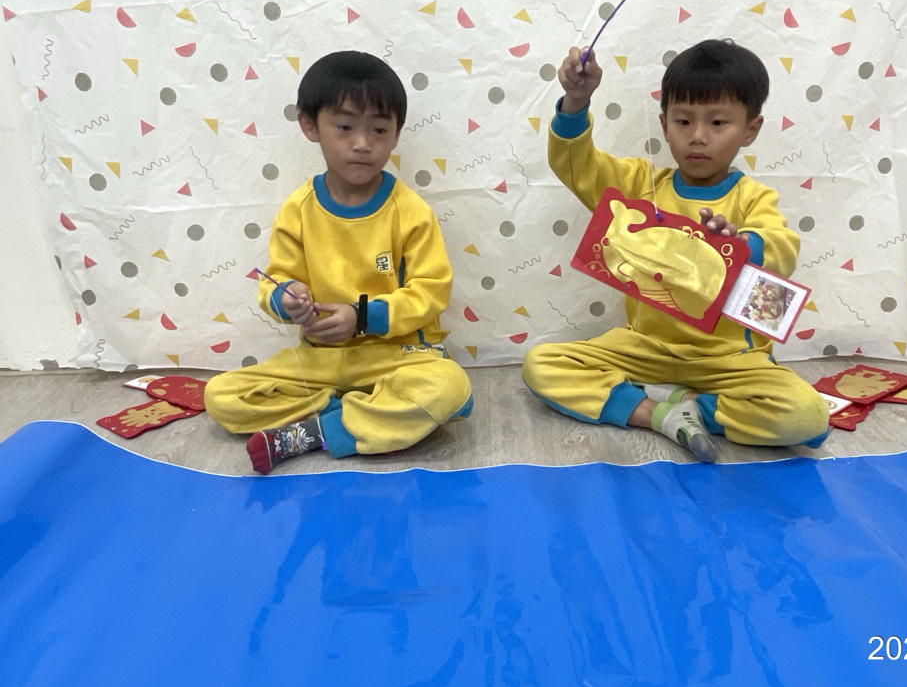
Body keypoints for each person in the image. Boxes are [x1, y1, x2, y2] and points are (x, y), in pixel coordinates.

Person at [522, 39, 829, 462]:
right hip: (646, 350)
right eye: (684, 121)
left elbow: (781, 245)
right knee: (542, 364)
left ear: (750, 129)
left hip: (728, 360)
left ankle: (691, 406)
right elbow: (576, 166)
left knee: (807, 415)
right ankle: (657, 413)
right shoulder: (639, 185)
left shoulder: (753, 198)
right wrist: (576, 101)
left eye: (718, 122)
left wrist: (743, 244)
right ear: (665, 125)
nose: (698, 136)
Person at [204, 50, 472, 474]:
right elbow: (277, 278)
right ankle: (367, 413)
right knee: (221, 397)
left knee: (449, 385)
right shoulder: (298, 210)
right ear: (310, 125)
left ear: (396, 135)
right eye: (345, 127)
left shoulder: (410, 211)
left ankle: (319, 431)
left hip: (398, 356)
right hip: (321, 360)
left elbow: (431, 291)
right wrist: (286, 297)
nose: (363, 143)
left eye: (379, 129)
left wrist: (361, 318)